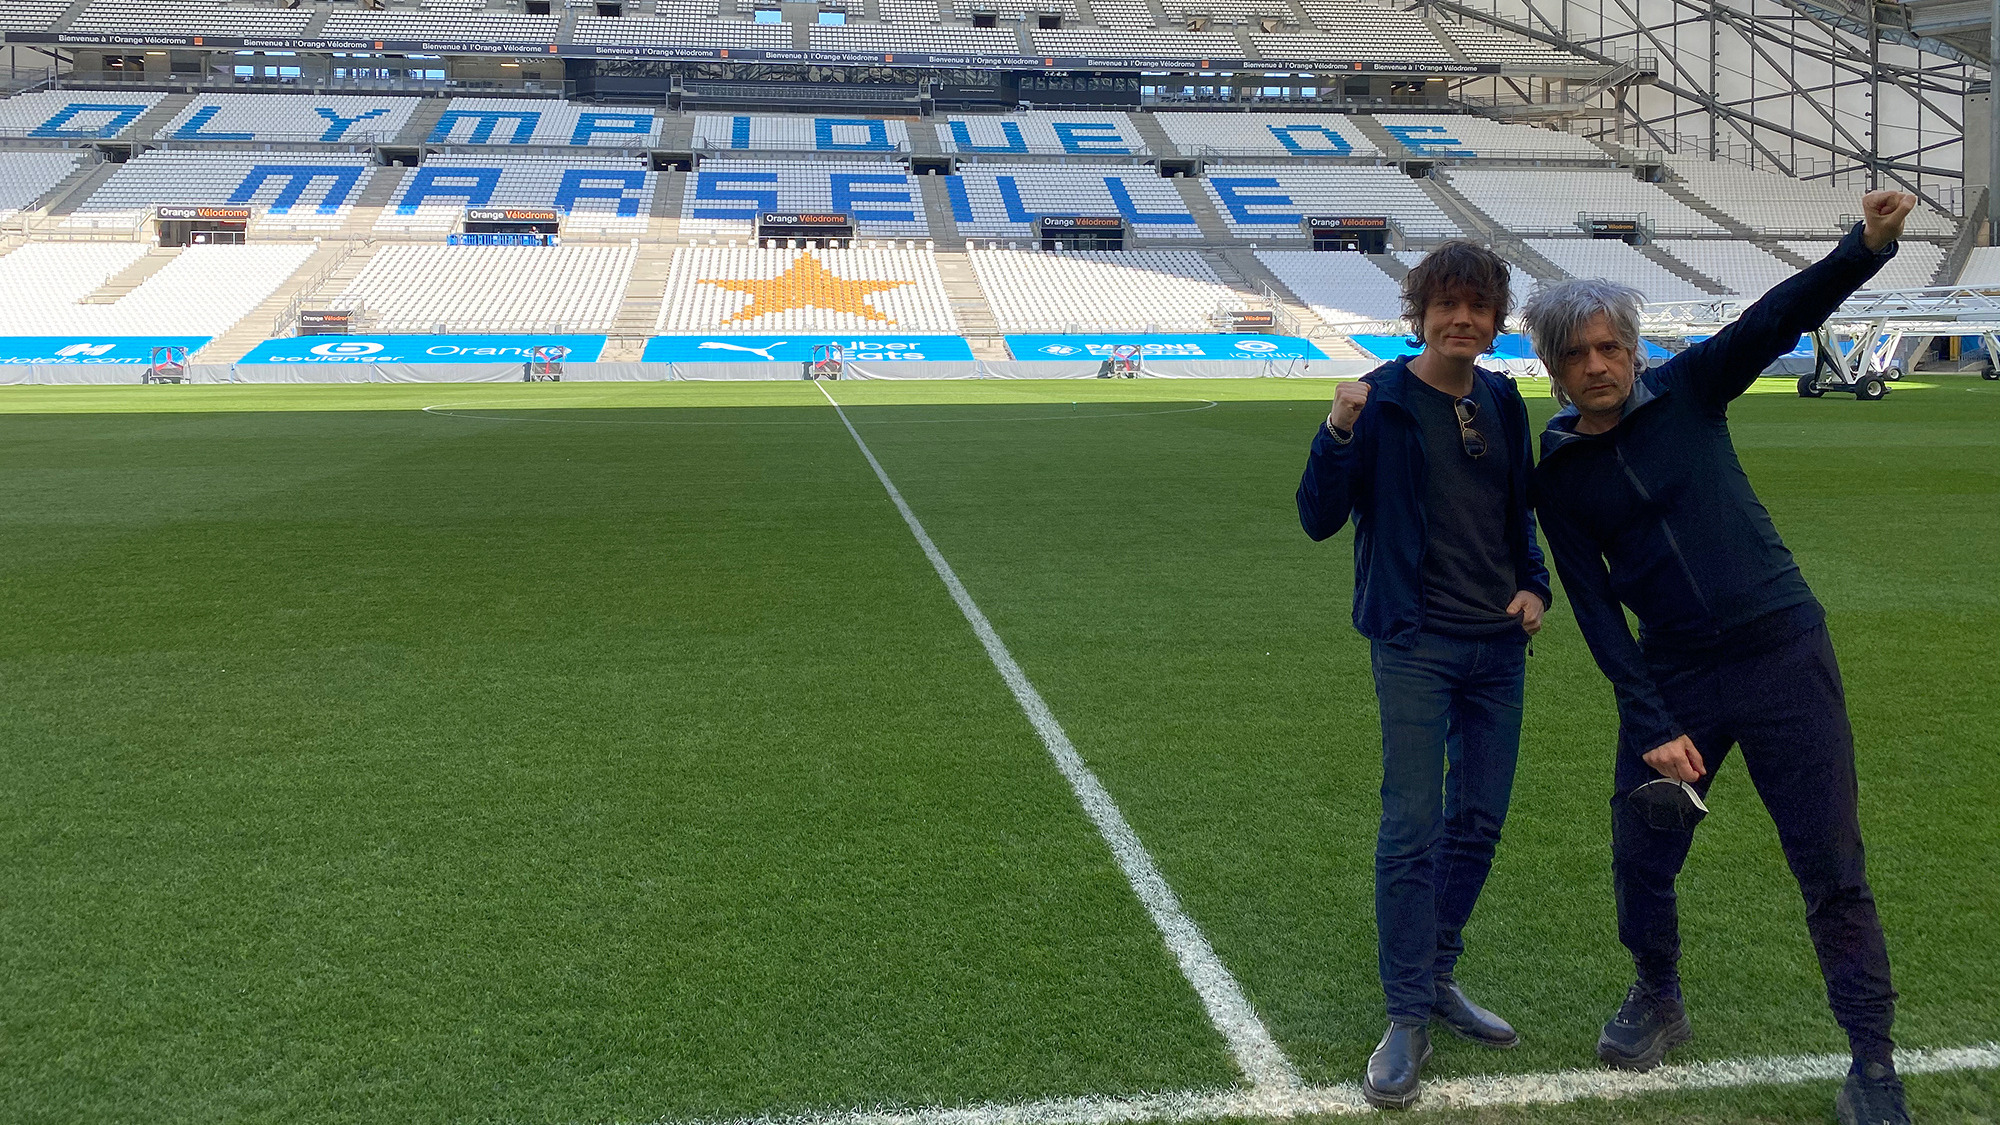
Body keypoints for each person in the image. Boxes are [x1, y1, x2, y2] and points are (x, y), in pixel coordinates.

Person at [1522, 191, 1917, 1125]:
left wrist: (1864, 248)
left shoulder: (1695, 387)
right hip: (1678, 676)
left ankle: (1871, 1063)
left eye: (1610, 346)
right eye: (1576, 354)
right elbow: (1596, 614)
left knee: (1831, 866)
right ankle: (1658, 994)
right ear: (1554, 368)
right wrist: (1651, 723)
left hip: (1785, 651)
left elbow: (1779, 314)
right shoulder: (1560, 475)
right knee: (1641, 853)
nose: (1597, 364)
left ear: (1633, 346)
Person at [1296, 242, 1550, 1110]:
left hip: (1497, 647)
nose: (1462, 320)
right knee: (1413, 826)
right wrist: (1335, 434)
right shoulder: (1380, 401)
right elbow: (1317, 519)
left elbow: (1519, 512)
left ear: (1494, 317)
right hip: (1414, 642)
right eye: (1446, 305)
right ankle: (1406, 1014)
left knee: (1478, 819)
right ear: (1420, 313)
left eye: (1477, 307)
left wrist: (1534, 583)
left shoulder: (1505, 399)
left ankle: (1438, 973)